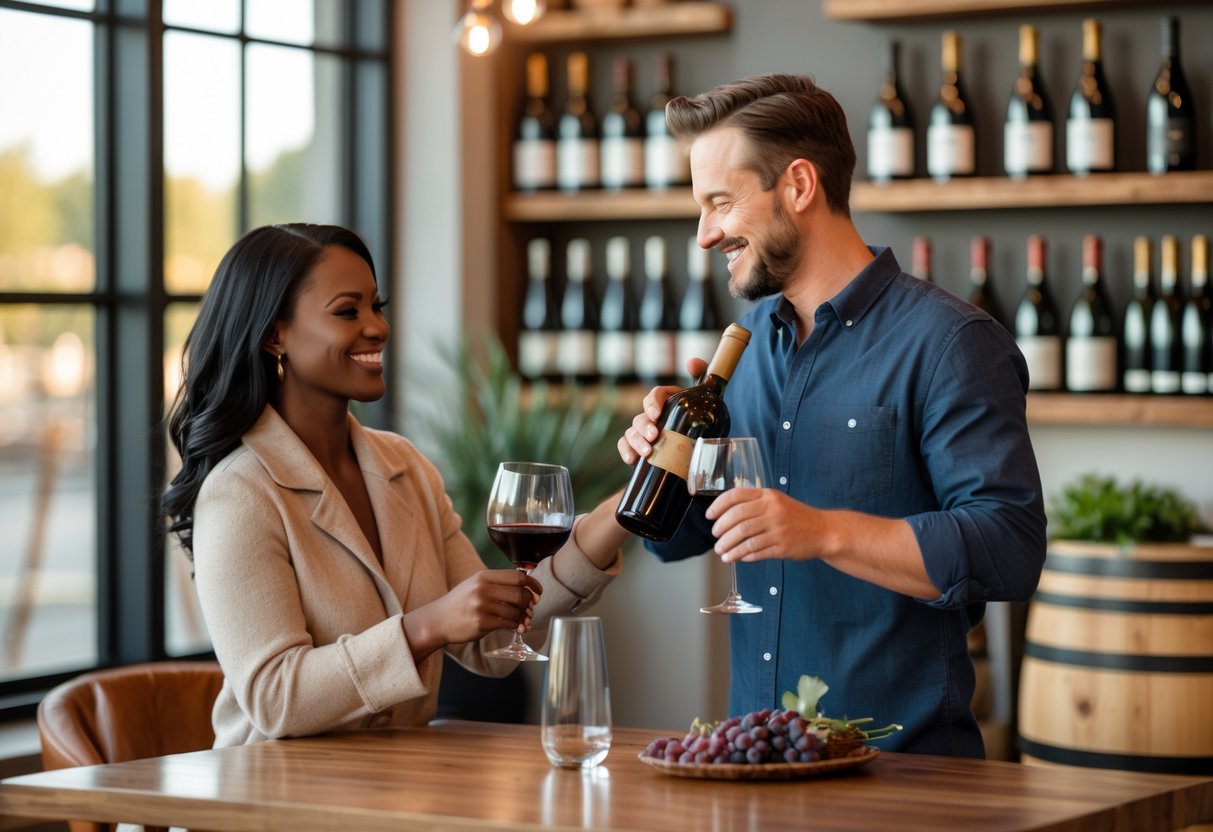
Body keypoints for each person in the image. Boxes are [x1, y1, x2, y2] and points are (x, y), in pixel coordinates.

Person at [617, 74, 1047, 757]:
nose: (704, 235)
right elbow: (675, 540)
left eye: (720, 203)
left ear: (796, 185)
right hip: (755, 762)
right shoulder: (745, 346)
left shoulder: (950, 343)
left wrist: (819, 531)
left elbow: (1008, 549)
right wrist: (664, 459)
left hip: (903, 780)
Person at [163, 223, 627, 747]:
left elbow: (494, 641)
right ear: (276, 335)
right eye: (347, 311)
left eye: (376, 307)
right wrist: (427, 626)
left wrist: (622, 510)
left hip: (395, 788)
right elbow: (276, 698)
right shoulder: (240, 491)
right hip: (274, 799)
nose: (377, 328)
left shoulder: (402, 465)